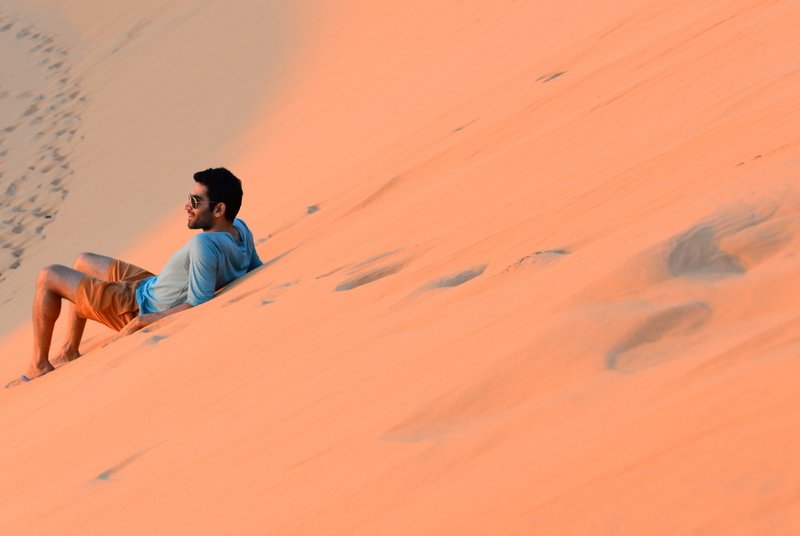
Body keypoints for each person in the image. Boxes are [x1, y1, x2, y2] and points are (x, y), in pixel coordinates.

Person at [6, 167, 262, 387]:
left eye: (195, 201)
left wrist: (146, 319)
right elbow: (255, 268)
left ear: (219, 209)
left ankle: (38, 364)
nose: (187, 206)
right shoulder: (240, 229)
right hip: (150, 283)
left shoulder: (204, 244)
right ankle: (69, 350)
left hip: (134, 305)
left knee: (48, 276)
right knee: (83, 261)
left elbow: (198, 303)